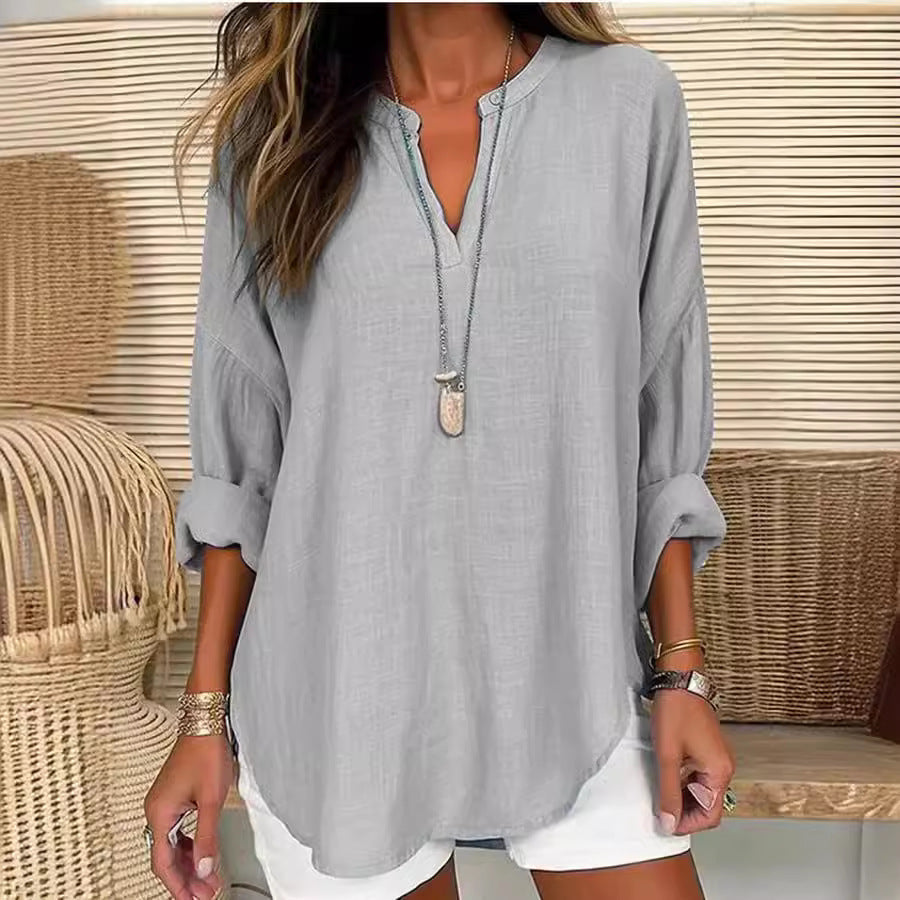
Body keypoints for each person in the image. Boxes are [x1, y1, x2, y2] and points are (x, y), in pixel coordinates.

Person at [144, 3, 734, 899]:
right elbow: (244, 468)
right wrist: (203, 719)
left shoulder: (629, 104)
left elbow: (661, 418)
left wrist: (681, 671)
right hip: (339, 687)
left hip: (572, 667)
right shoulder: (274, 135)